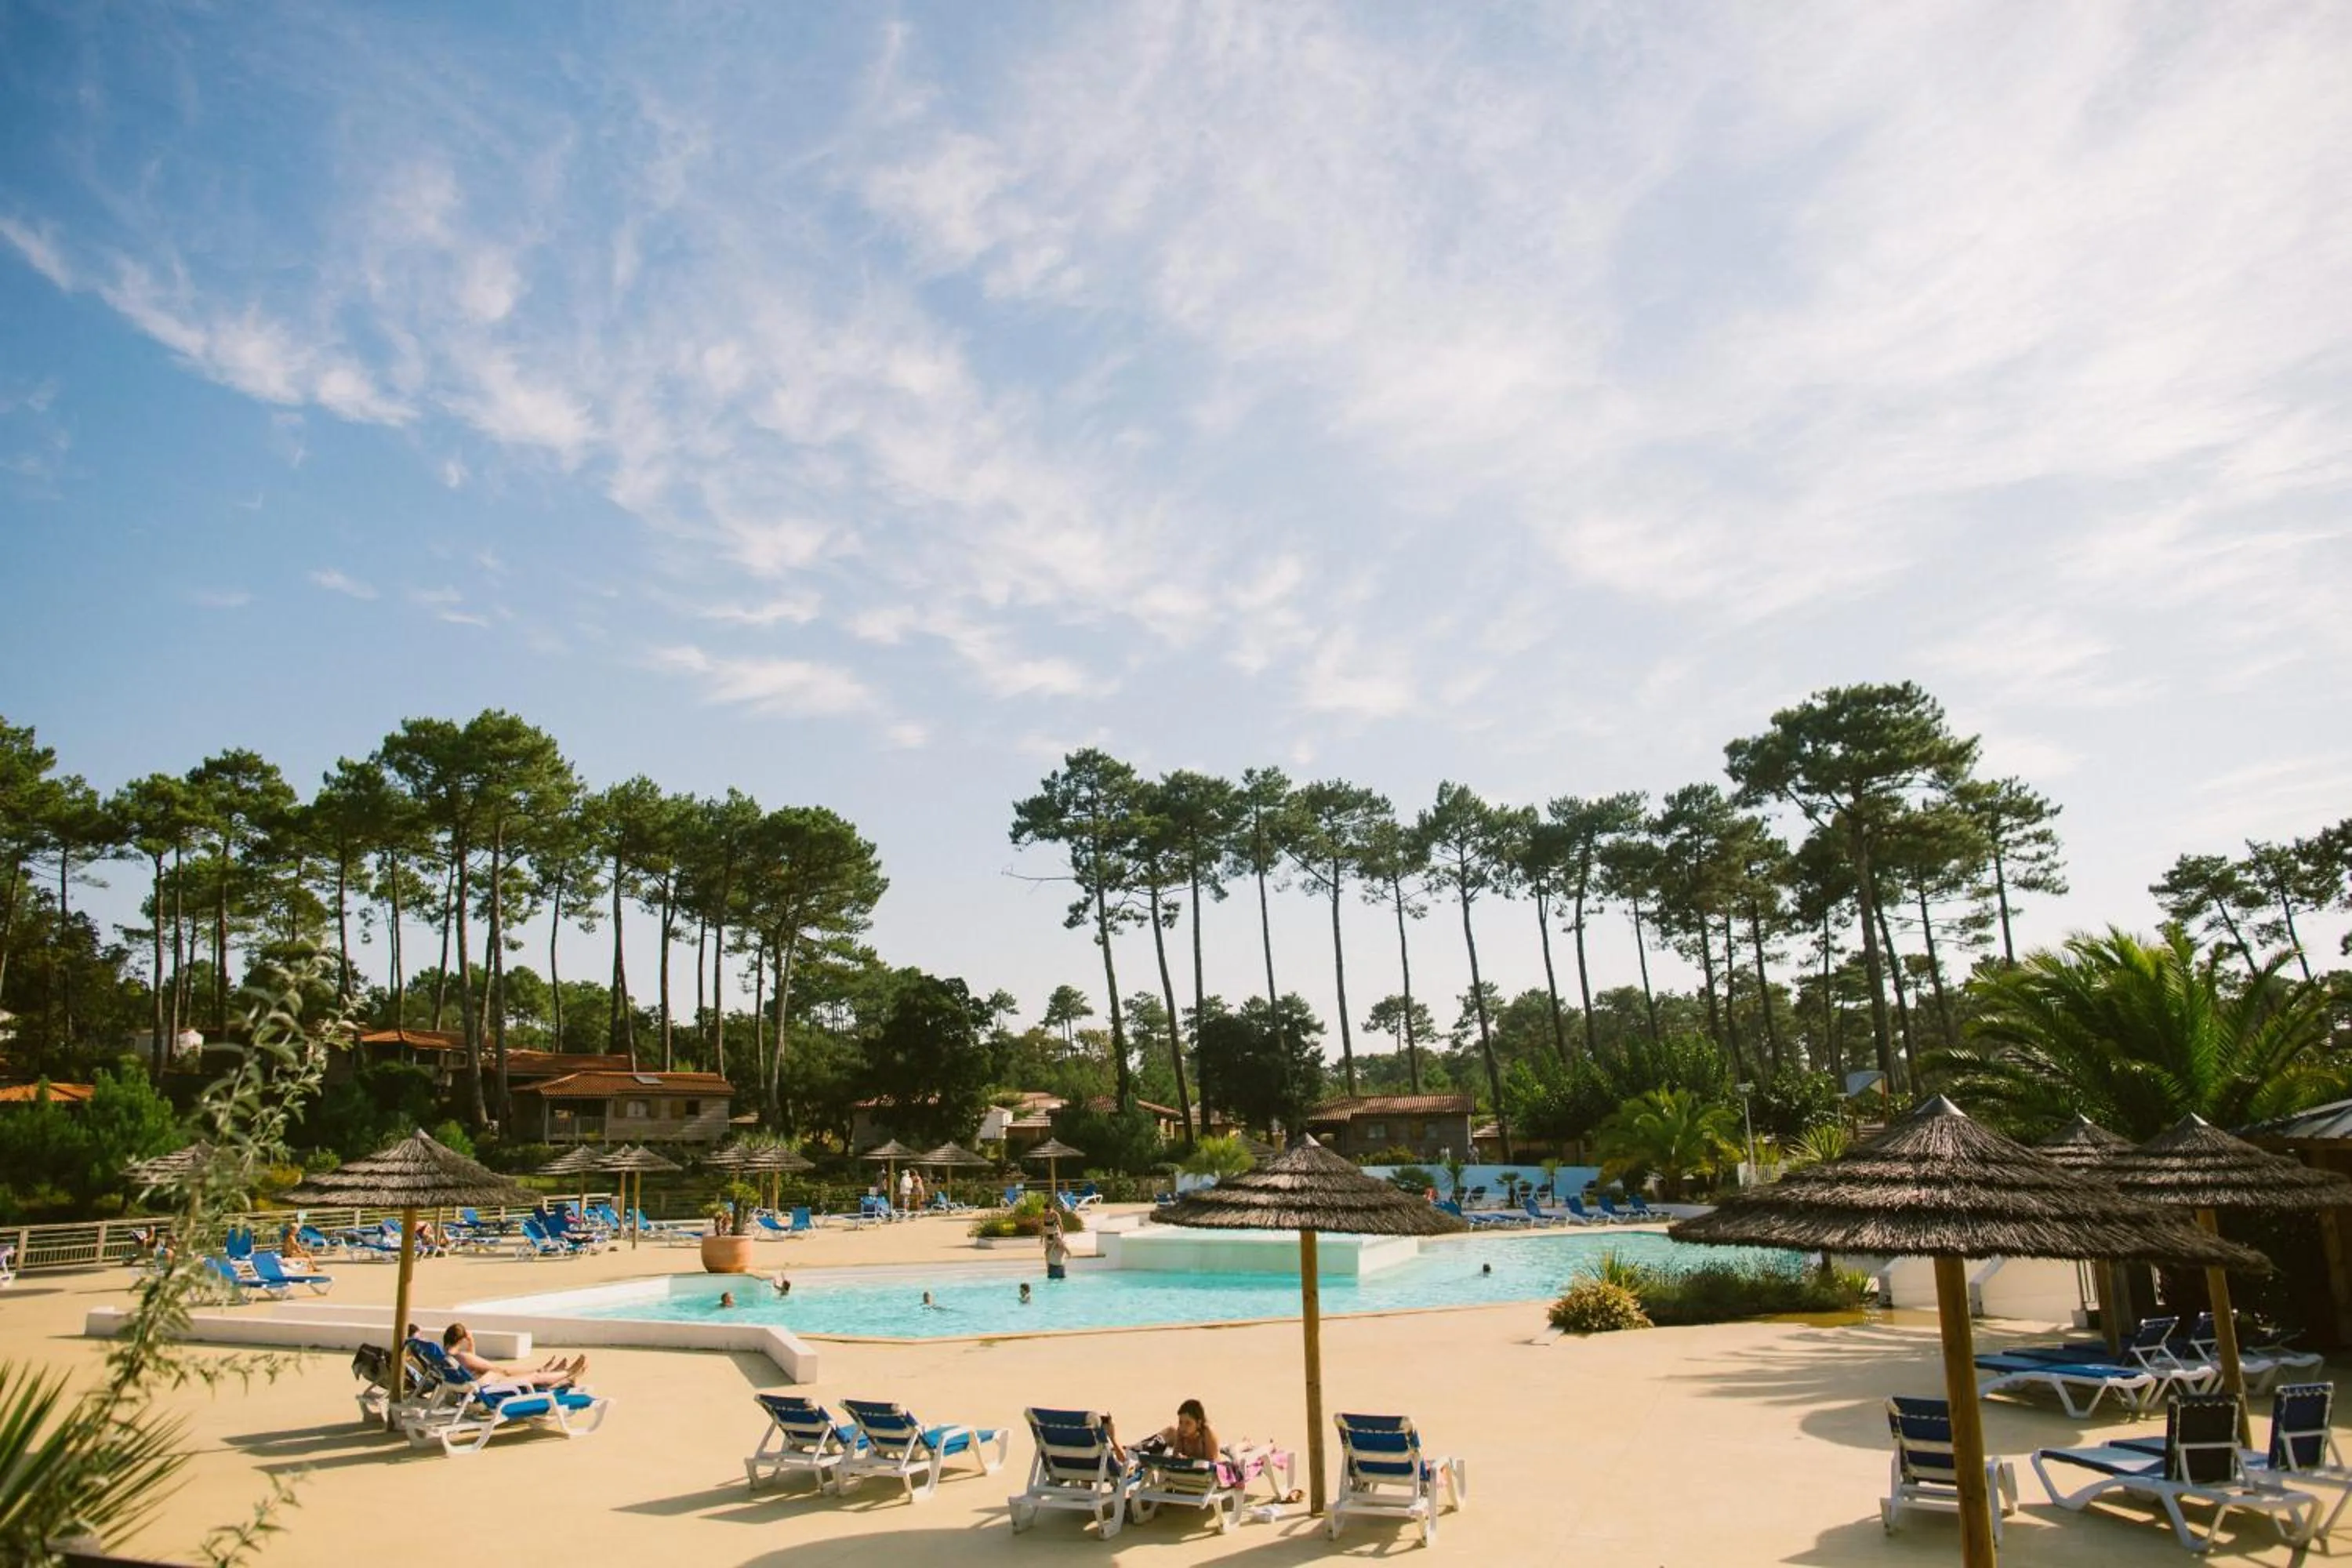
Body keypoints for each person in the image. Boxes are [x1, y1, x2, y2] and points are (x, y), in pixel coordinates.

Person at [441, 1323, 583, 1388]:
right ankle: (567, 1373)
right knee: (533, 1377)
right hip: (487, 1387)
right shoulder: (463, 1357)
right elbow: (492, 1368)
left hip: (472, 1386)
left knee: (505, 1372)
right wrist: (501, 1373)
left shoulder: (444, 1356)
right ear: (462, 1339)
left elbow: (473, 1361)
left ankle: (549, 1373)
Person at [1043, 1210, 1069, 1281]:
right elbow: (1047, 1254)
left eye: (1057, 1234)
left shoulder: (1063, 1244)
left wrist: (1063, 1246)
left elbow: (1070, 1254)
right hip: (1053, 1267)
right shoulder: (1050, 1245)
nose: (1057, 1236)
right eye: (1055, 1235)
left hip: (1061, 1267)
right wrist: (1054, 1243)